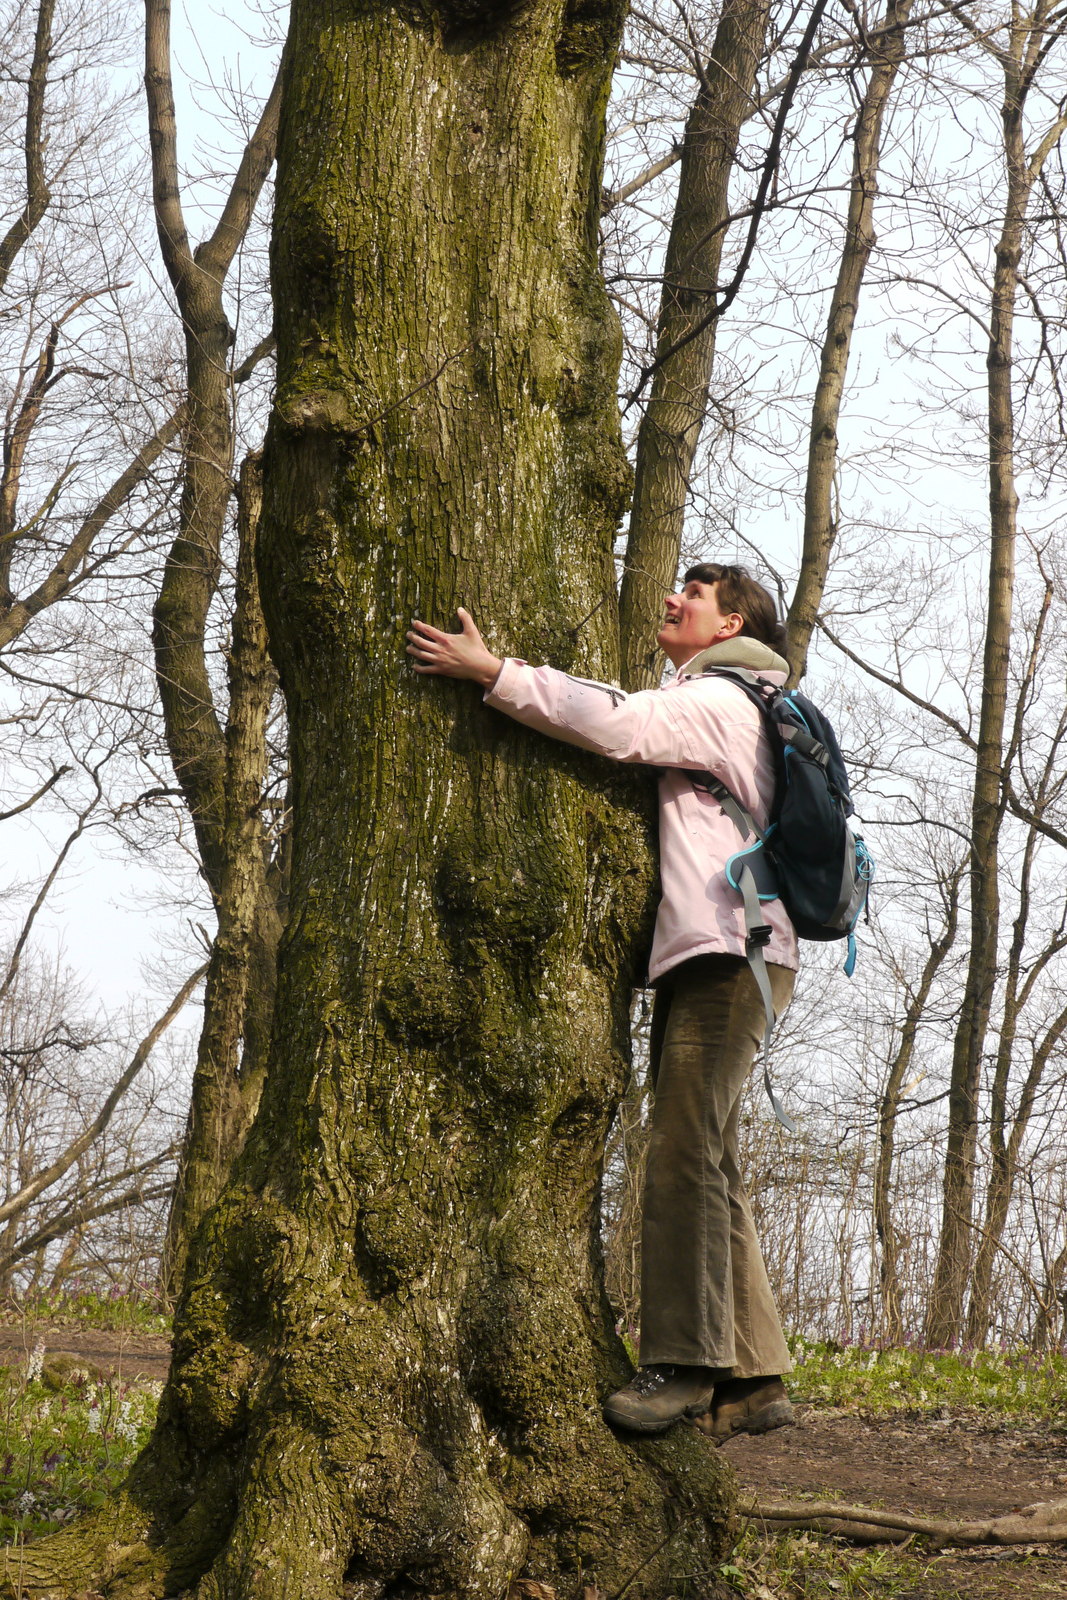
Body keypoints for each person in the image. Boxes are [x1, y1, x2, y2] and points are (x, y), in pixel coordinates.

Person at [407, 563, 797, 1440]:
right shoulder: (747, 704)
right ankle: (755, 1376)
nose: (672, 599)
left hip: (730, 952)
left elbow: (616, 723)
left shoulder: (721, 700)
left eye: (691, 595)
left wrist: (493, 673)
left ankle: (684, 1365)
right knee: (711, 1158)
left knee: (682, 1155)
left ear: (730, 621)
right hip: (740, 951)